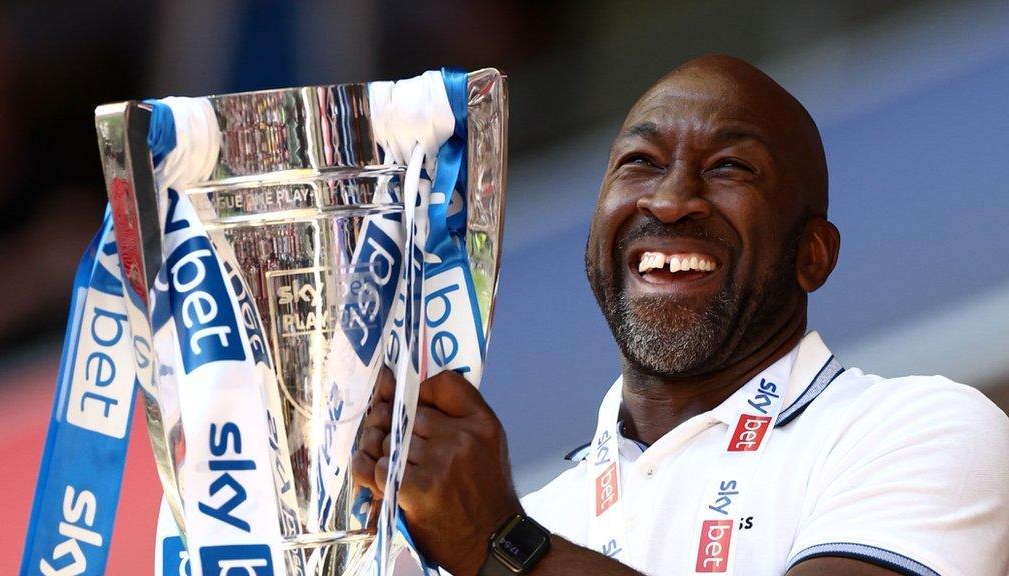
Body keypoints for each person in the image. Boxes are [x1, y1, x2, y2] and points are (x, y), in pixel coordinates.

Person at [352, 55, 1009, 576]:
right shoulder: (535, 512)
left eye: (729, 167)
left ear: (813, 255)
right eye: (640, 162)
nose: (669, 202)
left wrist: (503, 547)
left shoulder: (917, 432)